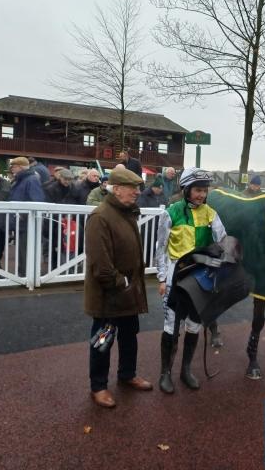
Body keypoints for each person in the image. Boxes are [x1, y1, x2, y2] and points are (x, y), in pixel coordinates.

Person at [84, 167, 152, 408]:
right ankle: (98, 386)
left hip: (128, 294)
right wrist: (122, 282)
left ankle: (127, 374)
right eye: (132, 188)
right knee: (103, 341)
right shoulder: (100, 217)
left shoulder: (126, 212)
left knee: (129, 336)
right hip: (109, 297)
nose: (137, 192)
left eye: (138, 188)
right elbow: (100, 265)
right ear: (118, 189)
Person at [155, 167, 227, 394]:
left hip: (200, 278)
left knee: (194, 325)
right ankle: (165, 373)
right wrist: (161, 278)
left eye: (204, 191)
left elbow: (223, 242)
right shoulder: (171, 213)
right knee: (171, 325)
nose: (201, 195)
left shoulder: (211, 214)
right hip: (176, 276)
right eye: (197, 190)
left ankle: (185, 370)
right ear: (186, 189)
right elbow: (161, 248)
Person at [8, 157, 45, 276]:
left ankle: (26, 274)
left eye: (13, 166)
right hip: (22, 221)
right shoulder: (24, 179)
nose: (12, 169)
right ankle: (24, 273)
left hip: (27, 221)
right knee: (22, 249)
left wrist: (23, 215)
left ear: (20, 167)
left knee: (26, 249)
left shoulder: (30, 180)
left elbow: (37, 201)